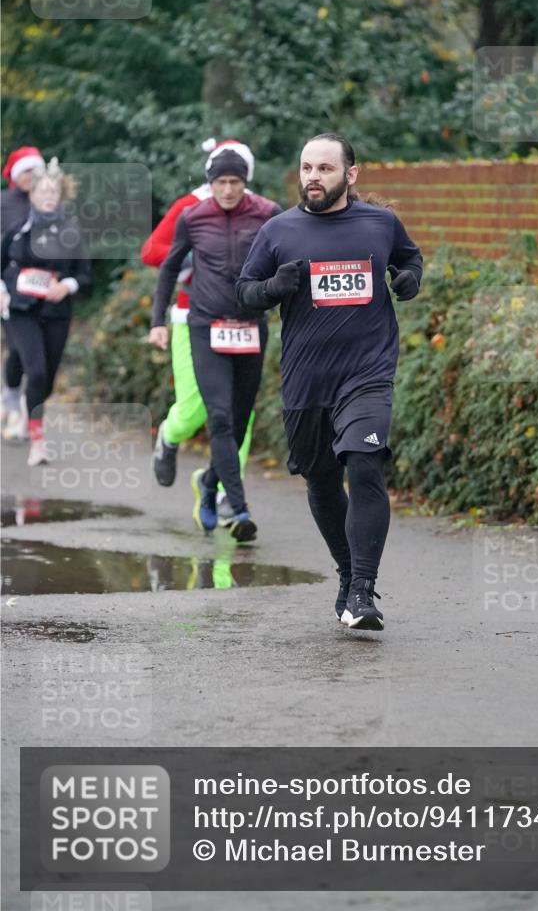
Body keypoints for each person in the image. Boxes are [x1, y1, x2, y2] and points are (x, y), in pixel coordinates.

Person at [237, 133, 423, 630]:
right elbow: (245, 290)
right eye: (306, 168)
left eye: (324, 168)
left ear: (350, 174)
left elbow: (410, 259)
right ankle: (346, 573)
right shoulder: (279, 231)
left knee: (364, 464)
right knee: (321, 479)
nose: (313, 177)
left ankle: (363, 590)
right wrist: (274, 287)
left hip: (367, 374)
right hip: (306, 379)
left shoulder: (380, 223)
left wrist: (408, 281)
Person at [149, 144, 281, 540]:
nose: (227, 189)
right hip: (205, 326)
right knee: (218, 416)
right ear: (211, 183)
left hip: (250, 326)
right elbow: (167, 265)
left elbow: (289, 255)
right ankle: (239, 509)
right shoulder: (193, 216)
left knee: (239, 422)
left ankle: (208, 485)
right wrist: (158, 321)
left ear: (245, 183)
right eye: (221, 182)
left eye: (235, 182)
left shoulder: (267, 213)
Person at [0, 158, 91, 466]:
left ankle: (32, 405)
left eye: (54, 191)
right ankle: (38, 441)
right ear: (33, 194)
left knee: (47, 378)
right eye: (43, 191)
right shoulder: (17, 230)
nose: (49, 196)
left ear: (60, 195)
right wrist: (2, 292)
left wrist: (66, 285)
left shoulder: (72, 232)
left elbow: (84, 274)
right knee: (35, 370)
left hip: (56, 312)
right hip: (21, 309)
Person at [1, 146, 46, 440]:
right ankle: (14, 403)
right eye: (27, 171)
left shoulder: (49, 203)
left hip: (43, 292)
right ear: (17, 175)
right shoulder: (4, 203)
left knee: (34, 355)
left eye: (36, 170)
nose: (32, 177)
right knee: (19, 348)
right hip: (8, 290)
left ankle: (16, 401)